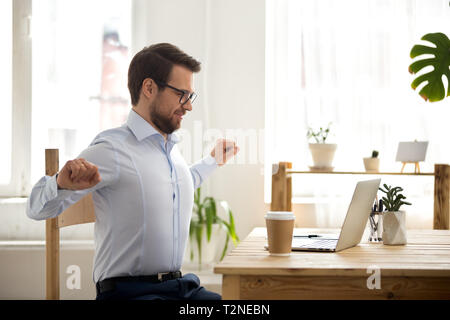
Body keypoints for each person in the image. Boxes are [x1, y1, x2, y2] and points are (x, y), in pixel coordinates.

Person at [27, 43, 239, 300]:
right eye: (181, 94)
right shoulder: (112, 148)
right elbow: (36, 208)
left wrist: (212, 161)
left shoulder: (168, 147)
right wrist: (61, 183)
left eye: (190, 96)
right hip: (130, 294)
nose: (188, 106)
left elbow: (175, 187)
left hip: (180, 288)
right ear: (149, 88)